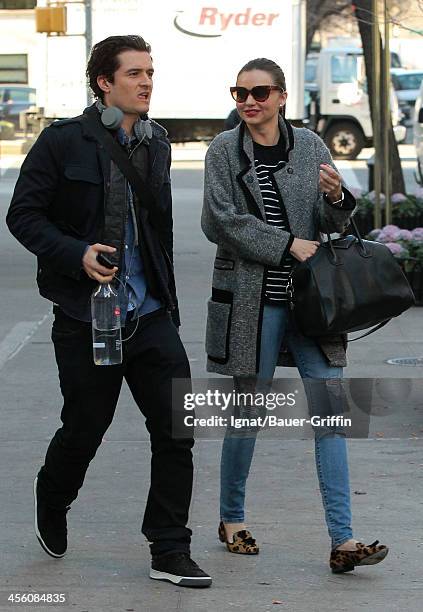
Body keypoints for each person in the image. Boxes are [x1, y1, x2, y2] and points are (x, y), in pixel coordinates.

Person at [7, 35, 211, 588]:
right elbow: (23, 216)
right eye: (135, 74)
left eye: (150, 73)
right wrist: (76, 253)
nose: (147, 82)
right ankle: (53, 492)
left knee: (176, 428)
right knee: (85, 428)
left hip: (148, 315)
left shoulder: (157, 143)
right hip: (85, 317)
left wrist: (165, 296)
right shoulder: (62, 141)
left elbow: (157, 230)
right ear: (104, 81)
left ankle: (169, 548)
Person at [201, 57, 388, 573]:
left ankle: (344, 540)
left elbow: (331, 218)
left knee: (331, 413)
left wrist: (338, 197)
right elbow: (218, 221)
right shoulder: (223, 150)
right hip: (251, 302)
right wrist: (288, 245)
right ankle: (231, 517)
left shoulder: (309, 146)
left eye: (260, 93)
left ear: (282, 97)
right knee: (249, 412)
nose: (249, 102)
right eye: (240, 93)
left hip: (312, 303)